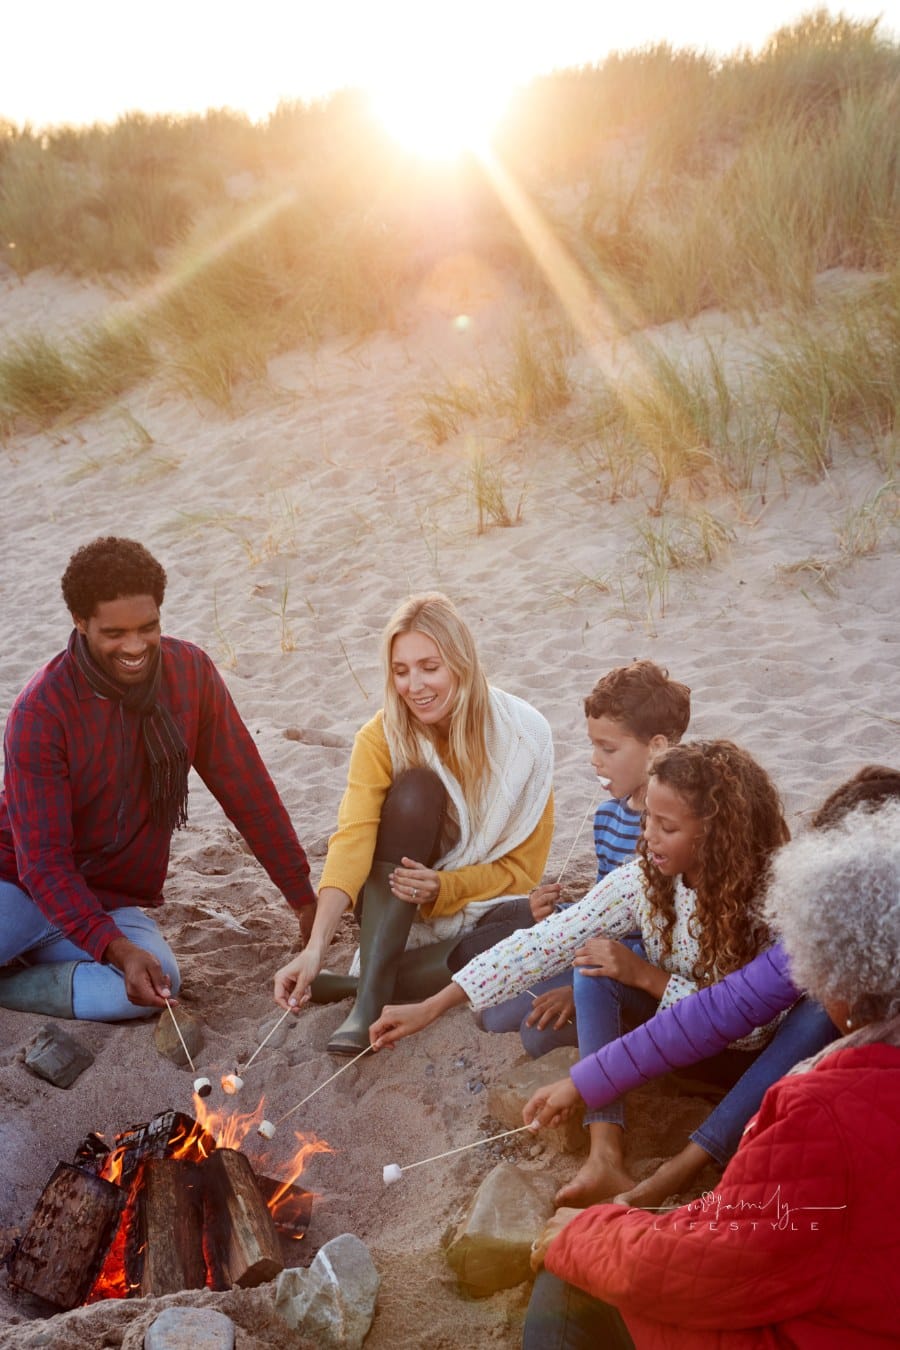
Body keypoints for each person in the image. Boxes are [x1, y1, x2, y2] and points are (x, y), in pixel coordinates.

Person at [524, 796, 900, 1349]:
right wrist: (585, 1081)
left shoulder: (827, 1111)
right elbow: (714, 1013)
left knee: (567, 1284)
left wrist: (584, 1237)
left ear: (838, 966)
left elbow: (723, 1264)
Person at [372, 740, 789, 1204]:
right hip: (664, 1035)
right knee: (593, 959)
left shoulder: (761, 903)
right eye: (648, 818)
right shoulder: (645, 880)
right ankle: (604, 1151)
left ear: (716, 833)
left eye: (667, 826)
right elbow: (545, 942)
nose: (649, 836)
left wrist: (646, 977)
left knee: (620, 963)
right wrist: (432, 1006)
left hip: (733, 1060)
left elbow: (753, 1030)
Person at [0, 537, 317, 1021]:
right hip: (18, 888)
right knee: (129, 966)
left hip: (107, 900)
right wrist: (118, 949)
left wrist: (302, 898)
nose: (135, 646)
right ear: (80, 622)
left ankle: (12, 986)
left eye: (147, 628)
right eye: (114, 633)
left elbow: (247, 789)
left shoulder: (191, 673)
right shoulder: (40, 712)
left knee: (154, 984)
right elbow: (42, 864)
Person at [273, 591, 555, 1054]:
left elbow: (522, 872)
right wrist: (316, 947)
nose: (414, 686)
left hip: (478, 902)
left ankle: (362, 983)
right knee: (416, 789)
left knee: (537, 924)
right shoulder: (381, 736)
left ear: (461, 664)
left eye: (430, 667)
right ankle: (368, 1002)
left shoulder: (524, 736)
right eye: (401, 671)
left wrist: (445, 887)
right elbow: (352, 839)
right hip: (394, 901)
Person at [479, 660, 690, 1059]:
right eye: (593, 745)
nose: (595, 760)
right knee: (492, 1013)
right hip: (600, 954)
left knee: (537, 1034)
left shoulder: (674, 830)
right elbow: (602, 911)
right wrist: (557, 914)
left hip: (640, 973)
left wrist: (578, 989)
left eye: (608, 748)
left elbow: (661, 936)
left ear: (657, 747)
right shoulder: (608, 817)